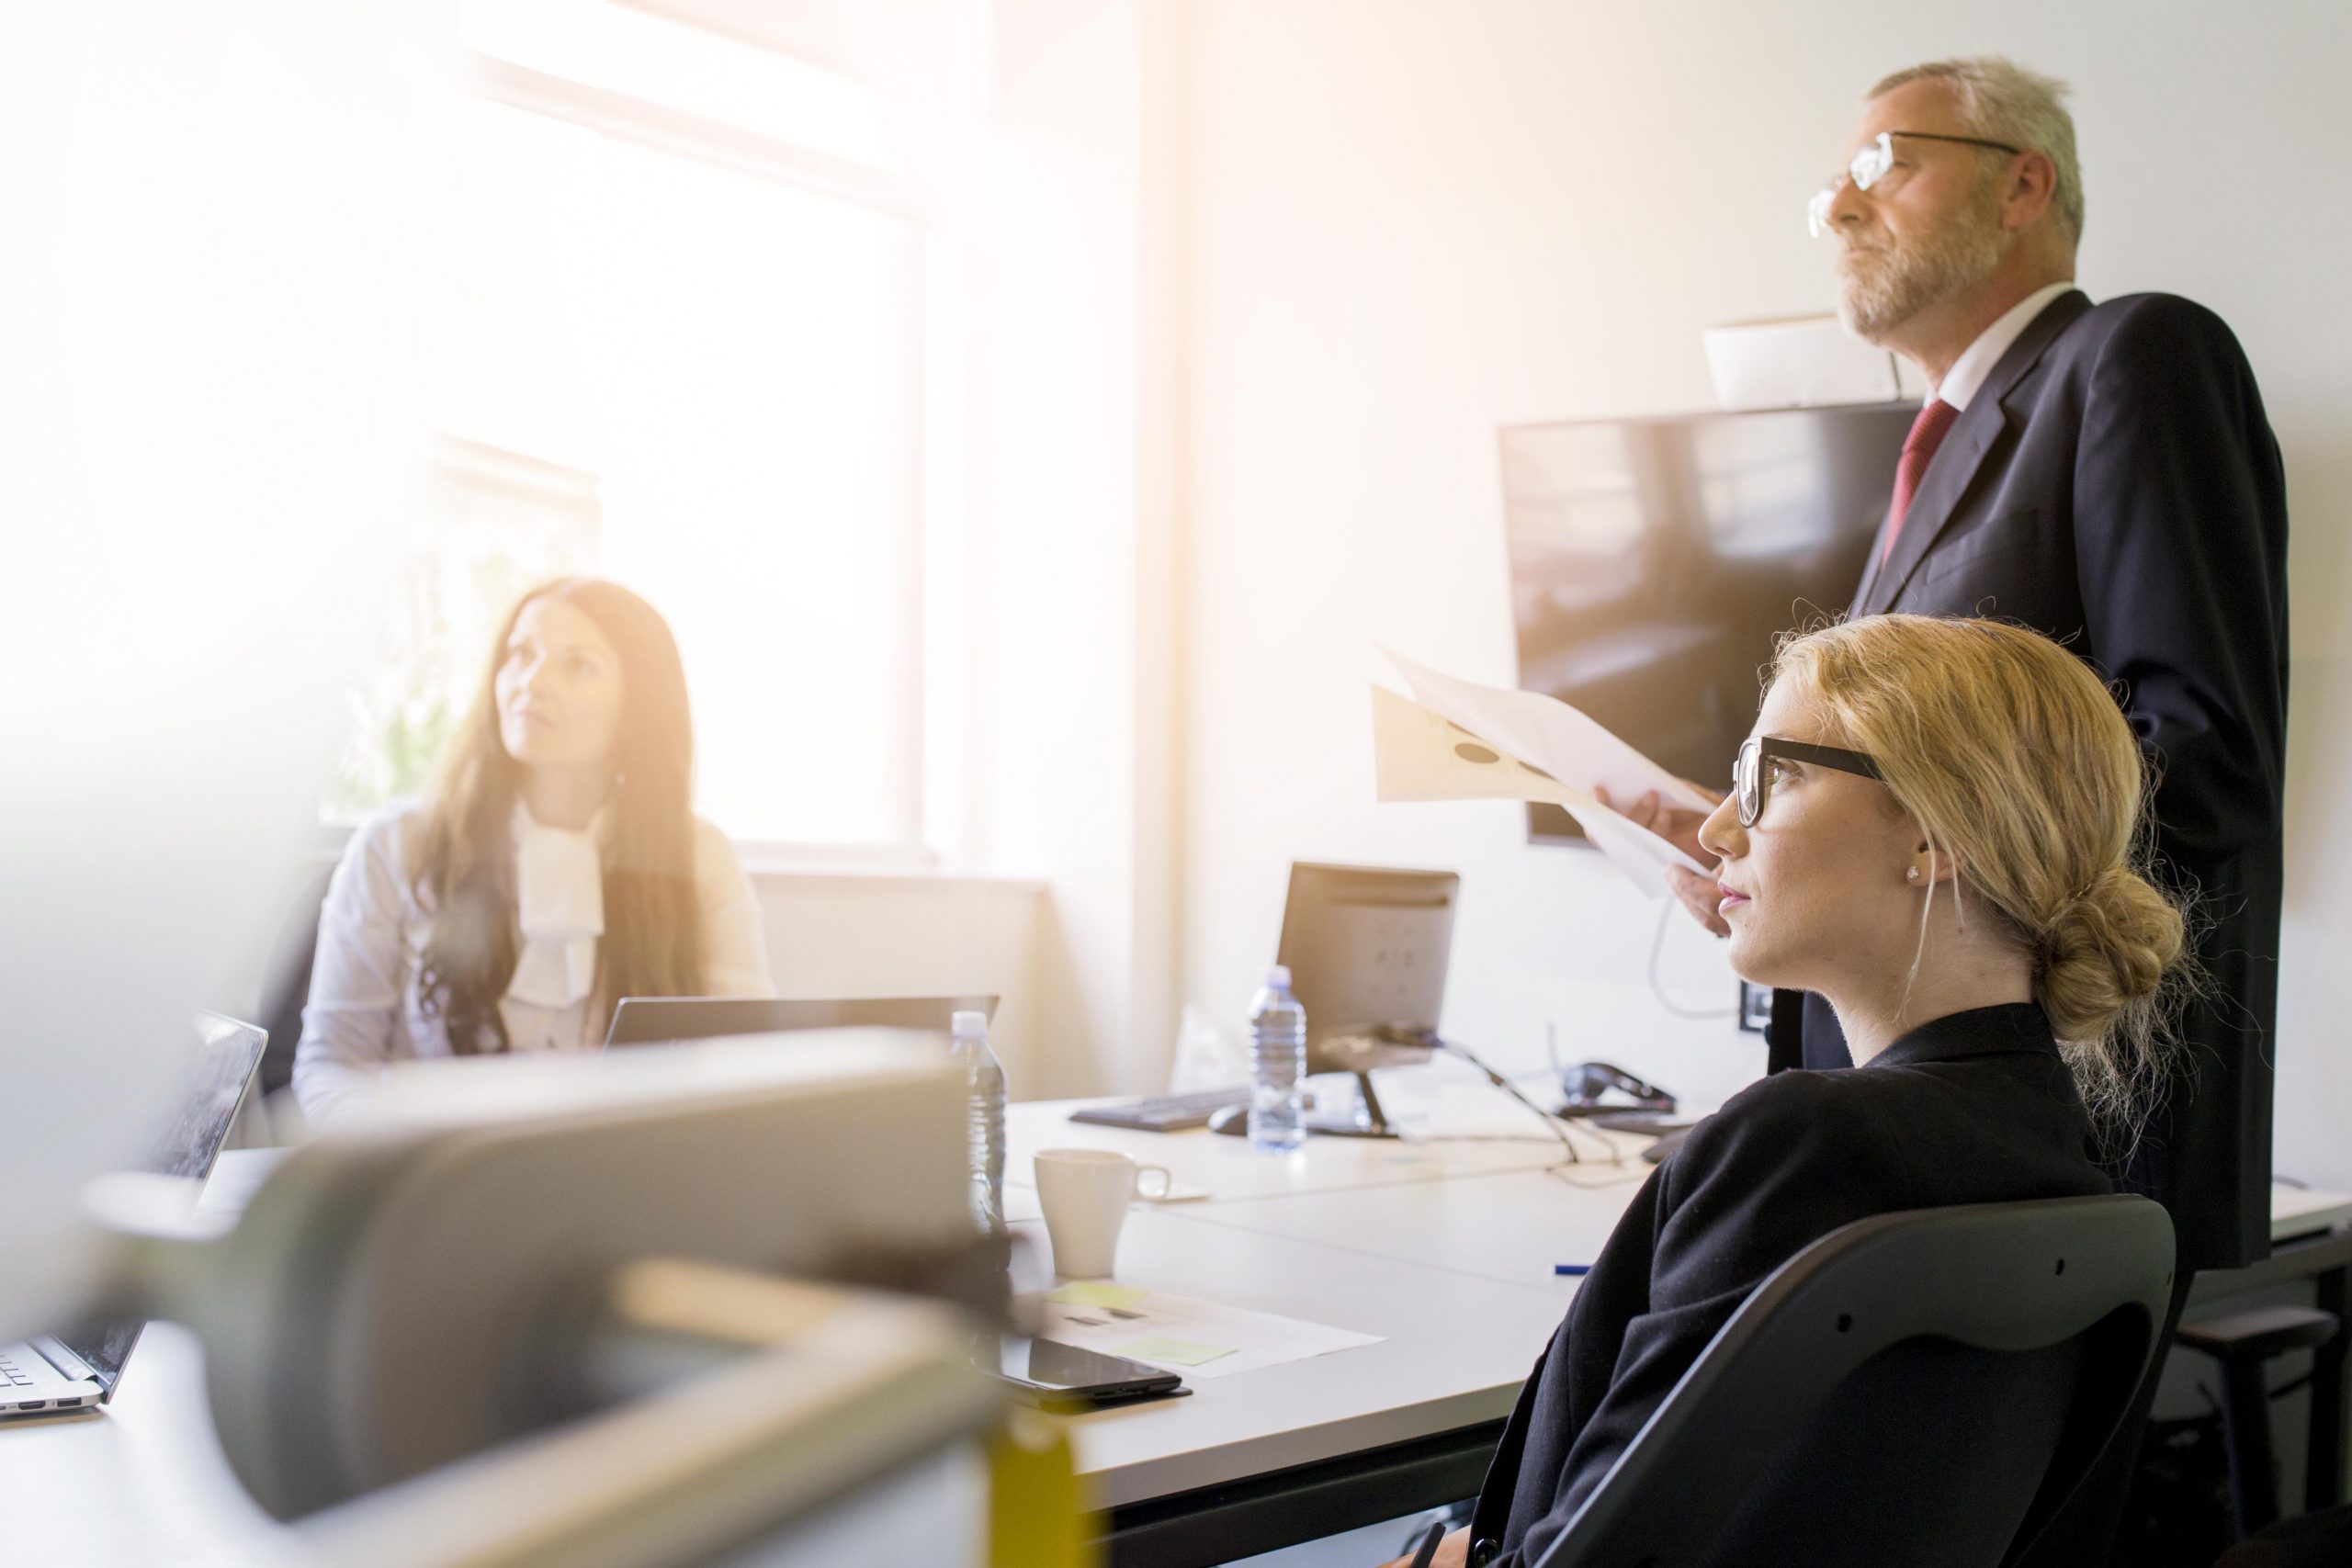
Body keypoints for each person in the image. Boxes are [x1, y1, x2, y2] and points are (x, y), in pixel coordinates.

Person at [1622, 54, 2286, 1283]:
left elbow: (2203, 750)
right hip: (1894, 1116)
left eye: (1889, 165)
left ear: (2023, 184)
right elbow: (1912, 783)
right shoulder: (1930, 458)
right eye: (1835, 189)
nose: (1846, 210)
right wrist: (1761, 839)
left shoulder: (2134, 357)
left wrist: (1926, 835)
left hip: (2055, 1119)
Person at [1387, 615, 2190, 1568]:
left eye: (1772, 778)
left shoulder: (1802, 1145)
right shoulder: (2064, 1158)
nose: (1720, 828)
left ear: (1934, 833)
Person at [292, 578, 774, 1123]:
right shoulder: (396, 845)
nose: (532, 682)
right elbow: (332, 1064)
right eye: (520, 655)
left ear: (639, 706)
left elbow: (746, 1063)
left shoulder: (701, 858)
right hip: (435, 1187)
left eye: (579, 665)